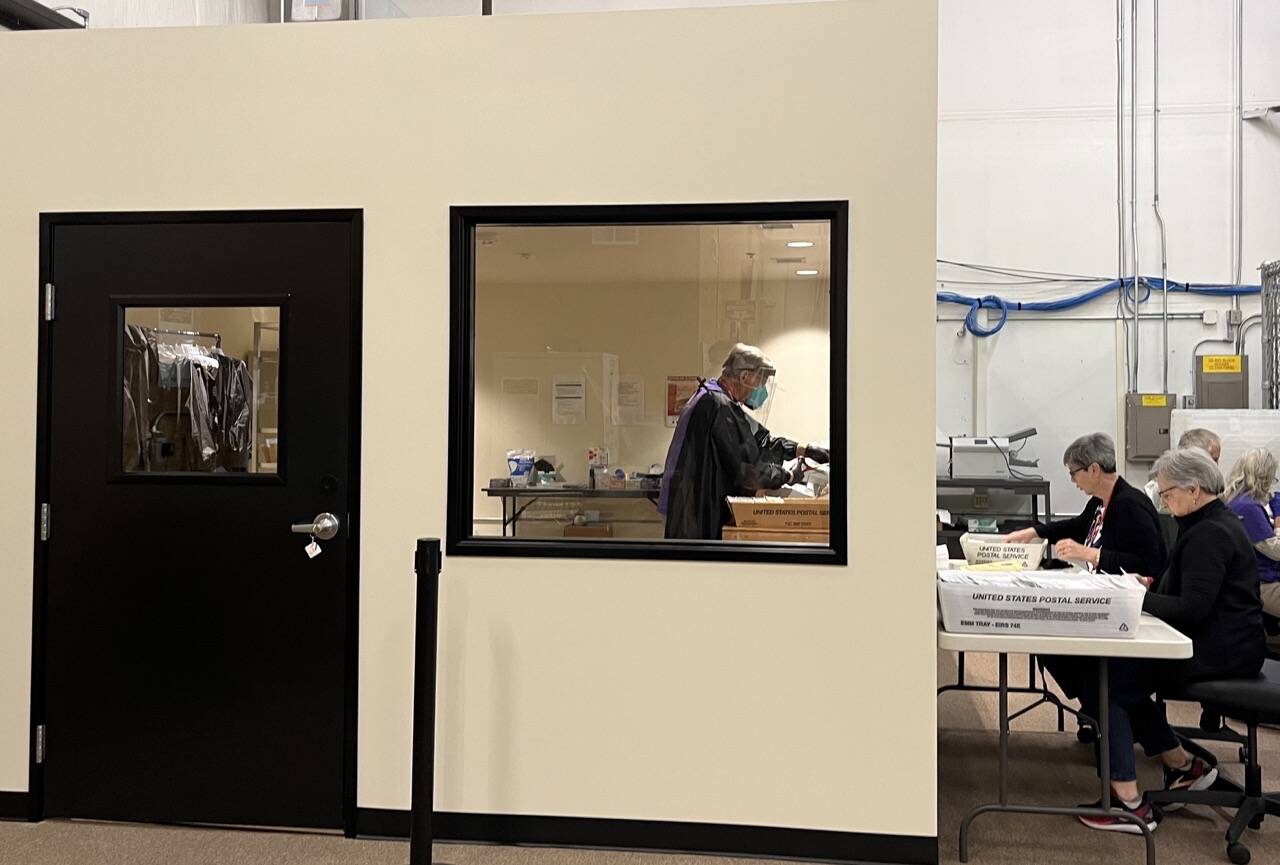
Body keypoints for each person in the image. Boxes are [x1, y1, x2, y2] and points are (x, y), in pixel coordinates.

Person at [1043, 447, 1265, 833]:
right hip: (1221, 642)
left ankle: (1127, 804)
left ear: (1194, 490)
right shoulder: (1207, 523)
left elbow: (1192, 608)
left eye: (1167, 493)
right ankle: (1182, 764)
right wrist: (1147, 585)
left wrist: (1132, 595)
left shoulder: (1209, 534)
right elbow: (1188, 591)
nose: (1163, 500)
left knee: (1108, 680)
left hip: (1220, 651)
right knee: (1111, 676)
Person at [658, 343, 829, 540]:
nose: (762, 390)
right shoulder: (718, 406)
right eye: (760, 381)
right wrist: (789, 476)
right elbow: (749, 469)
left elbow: (759, 439)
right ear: (744, 377)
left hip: (691, 512)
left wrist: (802, 450)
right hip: (696, 519)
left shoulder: (713, 396)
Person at [1003, 432, 1165, 576]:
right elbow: (1077, 527)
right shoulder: (1099, 501)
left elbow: (1148, 563)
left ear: (1094, 469)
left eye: (1073, 473)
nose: (1072, 480)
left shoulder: (1130, 506)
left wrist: (1090, 554)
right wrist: (1034, 532)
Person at [1223, 448, 1280, 647]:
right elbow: (1276, 551)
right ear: (1264, 476)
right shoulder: (1249, 507)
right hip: (1263, 584)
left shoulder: (1236, 502)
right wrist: (1279, 524)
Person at [1145, 428, 1221, 513]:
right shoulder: (1154, 495)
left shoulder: (1211, 492)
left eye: (1216, 460)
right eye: (1210, 460)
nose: (1215, 466)